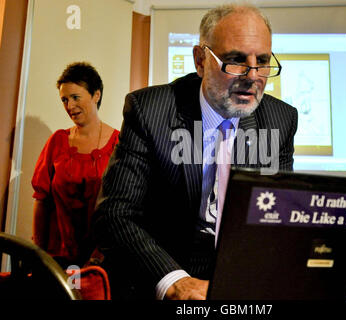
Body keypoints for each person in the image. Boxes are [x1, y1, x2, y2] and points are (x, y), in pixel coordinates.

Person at [93, 3, 298, 300]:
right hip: (163, 271)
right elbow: (114, 215)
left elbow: (275, 219)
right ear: (200, 60)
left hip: (236, 277)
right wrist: (174, 281)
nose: (252, 76)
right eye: (236, 61)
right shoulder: (150, 111)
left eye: (262, 61)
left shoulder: (280, 119)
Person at [32, 62, 120, 269]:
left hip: (103, 260)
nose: (69, 106)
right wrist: (39, 254)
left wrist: (99, 255)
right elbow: (41, 200)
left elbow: (121, 207)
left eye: (75, 97)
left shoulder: (119, 143)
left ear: (96, 95)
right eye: (64, 99)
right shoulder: (57, 141)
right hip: (58, 258)